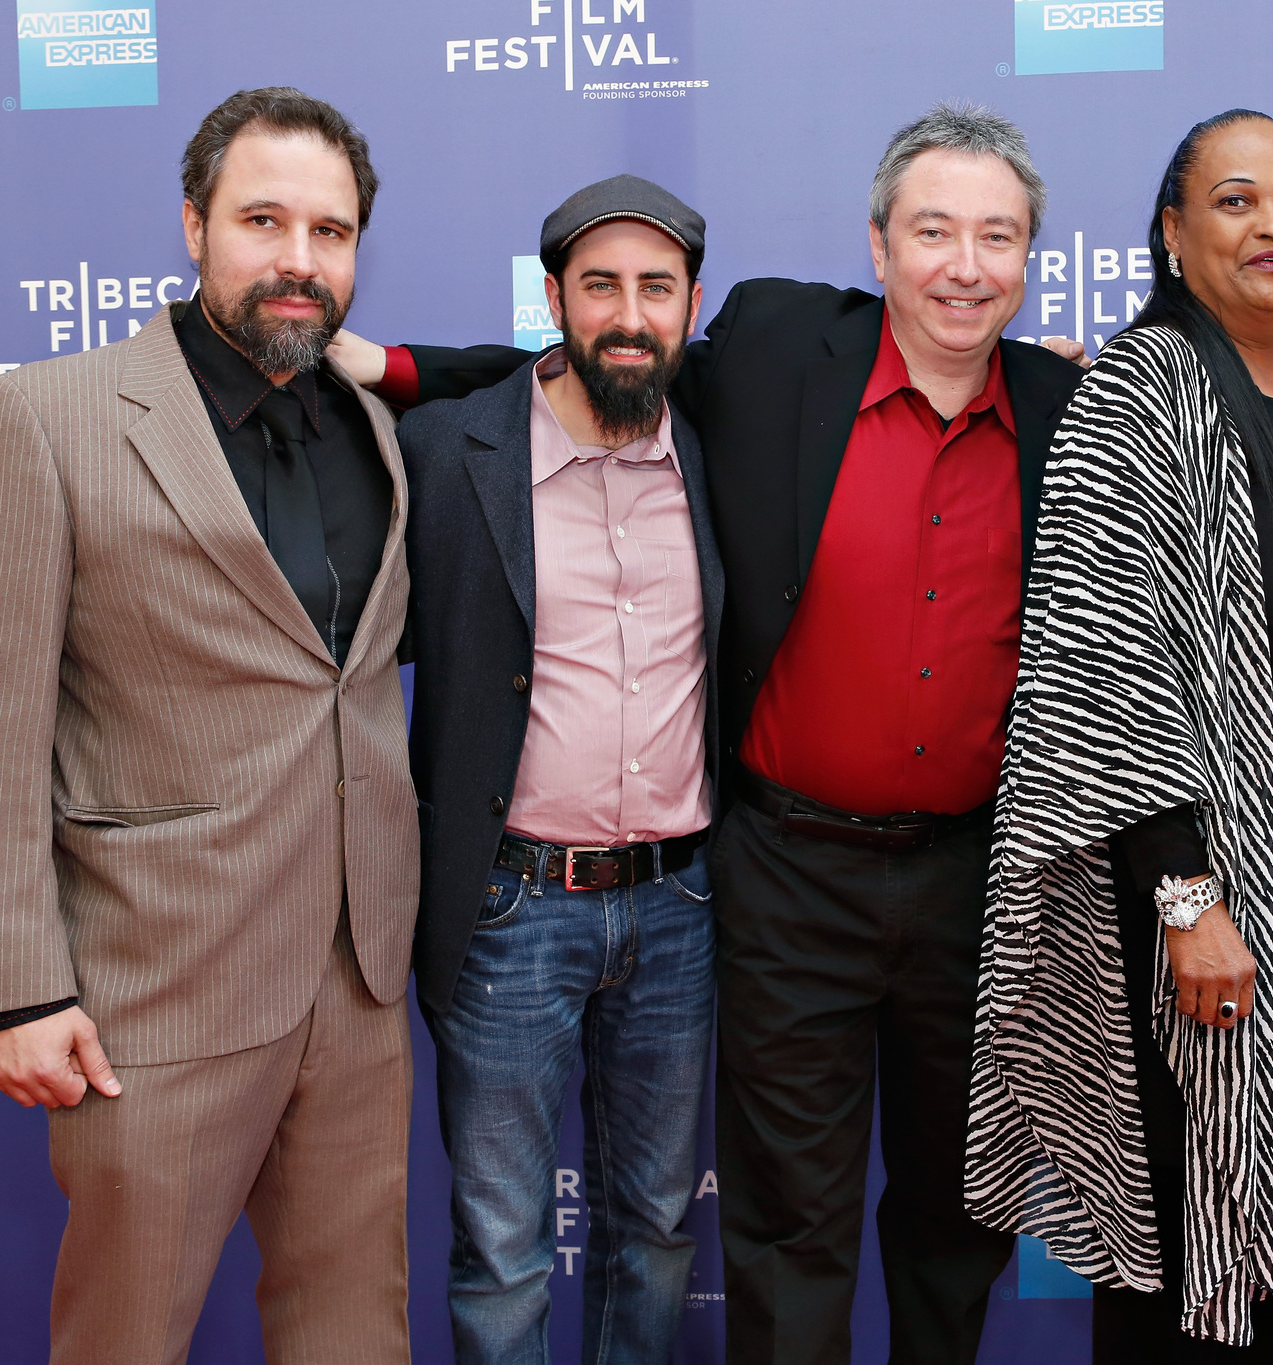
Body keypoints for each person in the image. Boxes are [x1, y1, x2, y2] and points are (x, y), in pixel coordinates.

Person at [331, 106, 1086, 1365]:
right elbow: (587, 359)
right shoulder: (785, 342)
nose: (965, 263)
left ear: (1027, 260)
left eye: (997, 236)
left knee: (955, 1219)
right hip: (785, 875)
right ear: (878, 244)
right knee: (778, 1226)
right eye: (934, 230)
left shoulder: (1067, 406)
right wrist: (400, 370)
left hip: (978, 881)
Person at [0, 88, 416, 1361]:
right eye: (264, 219)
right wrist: (19, 994)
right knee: (127, 1337)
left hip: (359, 984)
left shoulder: (374, 428)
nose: (300, 259)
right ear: (193, 224)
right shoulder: (47, 418)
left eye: (332, 229)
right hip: (152, 991)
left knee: (354, 1329)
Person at [966, 109, 1273, 1362]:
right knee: (1187, 1283)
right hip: (1205, 912)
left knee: (1271, 1269)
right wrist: (1187, 902)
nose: (1272, 225)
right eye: (1234, 201)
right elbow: (1095, 666)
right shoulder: (1133, 395)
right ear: (1173, 234)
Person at [401, 174, 723, 1364]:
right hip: (508, 906)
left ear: (693, 305)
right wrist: (376, 364)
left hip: (680, 906)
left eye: (655, 286)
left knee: (655, 1228)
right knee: (500, 1248)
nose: (628, 314)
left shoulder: (720, 443)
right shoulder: (449, 449)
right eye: (600, 287)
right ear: (554, 301)